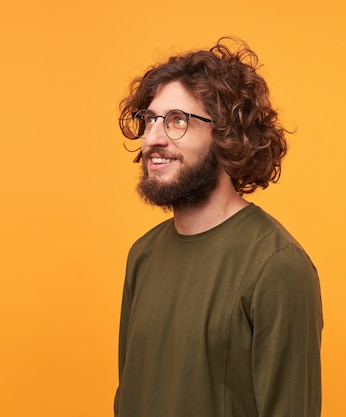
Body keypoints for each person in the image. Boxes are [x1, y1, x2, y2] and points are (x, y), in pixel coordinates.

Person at [114, 37, 323, 417]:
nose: (153, 139)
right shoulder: (142, 256)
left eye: (177, 120)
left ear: (227, 135)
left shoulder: (277, 266)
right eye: (149, 119)